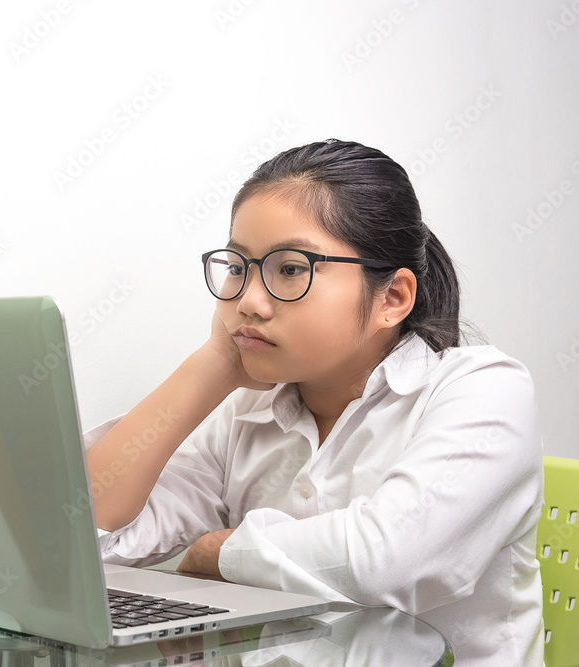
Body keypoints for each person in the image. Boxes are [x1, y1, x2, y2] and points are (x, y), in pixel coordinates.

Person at [84, 139, 544, 666]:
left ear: (392, 298)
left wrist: (220, 553)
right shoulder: (244, 415)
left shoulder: (483, 388)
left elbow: (389, 560)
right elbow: (88, 540)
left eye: (289, 269)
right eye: (238, 267)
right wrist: (211, 365)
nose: (249, 302)